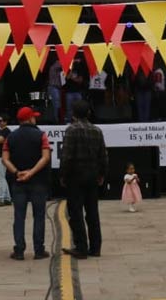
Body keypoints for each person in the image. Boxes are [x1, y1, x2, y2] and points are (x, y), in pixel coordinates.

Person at [2, 106, 51, 260]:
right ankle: (38, 250)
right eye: (34, 117)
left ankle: (19, 250)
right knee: (39, 216)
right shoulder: (41, 135)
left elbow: (5, 159)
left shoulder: (11, 137)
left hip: (18, 182)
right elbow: (45, 157)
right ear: (30, 119)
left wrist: (17, 172)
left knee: (19, 217)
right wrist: (32, 172)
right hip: (38, 182)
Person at [60, 99, 107, 259]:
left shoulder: (71, 130)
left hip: (75, 176)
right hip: (92, 176)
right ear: (88, 113)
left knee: (76, 212)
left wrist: (63, 175)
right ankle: (96, 247)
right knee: (92, 212)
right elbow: (103, 156)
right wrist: (101, 174)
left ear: (73, 114)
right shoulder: (97, 131)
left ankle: (81, 247)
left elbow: (66, 156)